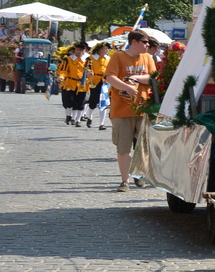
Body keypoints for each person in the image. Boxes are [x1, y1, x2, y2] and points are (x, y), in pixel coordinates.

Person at [104, 31, 159, 192]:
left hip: (143, 109)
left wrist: (135, 78)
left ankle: (139, 175)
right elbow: (110, 78)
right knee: (123, 148)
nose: (147, 45)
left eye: (148, 43)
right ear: (134, 42)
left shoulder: (148, 58)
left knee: (142, 147)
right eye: (145, 42)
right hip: (121, 110)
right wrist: (126, 86)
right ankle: (124, 181)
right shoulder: (118, 57)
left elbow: (153, 77)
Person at [57, 42, 91, 126]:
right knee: (70, 101)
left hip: (82, 84)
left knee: (81, 102)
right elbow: (64, 71)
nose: (78, 51)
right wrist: (62, 76)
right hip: (70, 83)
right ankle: (69, 116)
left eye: (80, 50)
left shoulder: (87, 60)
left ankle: (77, 120)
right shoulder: (68, 60)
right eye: (77, 49)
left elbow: (90, 70)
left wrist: (91, 73)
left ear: (83, 51)